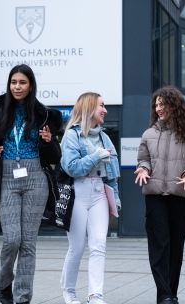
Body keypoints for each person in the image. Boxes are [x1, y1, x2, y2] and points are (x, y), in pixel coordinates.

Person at [0, 64, 62, 304]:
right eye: (13, 82)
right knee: (12, 240)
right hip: (7, 177)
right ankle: (5, 283)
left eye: (22, 82)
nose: (17, 87)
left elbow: (55, 157)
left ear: (30, 86)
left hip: (36, 178)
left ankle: (23, 297)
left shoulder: (44, 115)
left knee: (28, 243)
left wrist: (49, 142)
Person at [134, 86, 185, 304]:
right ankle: (164, 294)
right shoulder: (148, 134)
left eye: (162, 104)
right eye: (156, 105)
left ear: (174, 105)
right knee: (159, 244)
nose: (158, 109)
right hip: (155, 195)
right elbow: (143, 159)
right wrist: (144, 168)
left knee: (175, 246)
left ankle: (170, 294)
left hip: (179, 195)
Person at [59, 92, 121, 304]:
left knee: (98, 245)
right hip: (78, 191)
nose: (105, 110)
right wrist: (96, 156)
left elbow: (112, 173)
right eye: (101, 105)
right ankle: (69, 291)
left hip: (99, 192)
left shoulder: (105, 137)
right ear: (89, 108)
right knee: (76, 247)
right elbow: (72, 167)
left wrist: (116, 199)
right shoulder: (72, 136)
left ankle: (96, 294)